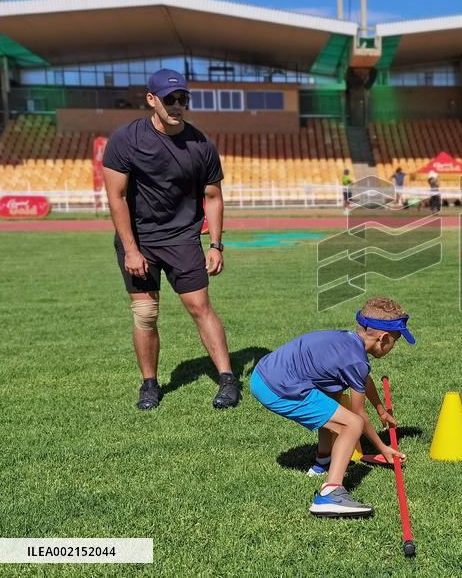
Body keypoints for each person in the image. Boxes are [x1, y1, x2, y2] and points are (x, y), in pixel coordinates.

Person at [102, 69, 239, 411]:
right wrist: (131, 250)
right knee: (146, 313)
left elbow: (214, 197)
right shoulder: (126, 139)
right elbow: (116, 197)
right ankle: (149, 384)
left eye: (182, 99)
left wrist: (217, 244)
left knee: (199, 307)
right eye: (169, 100)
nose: (177, 106)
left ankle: (227, 378)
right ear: (152, 99)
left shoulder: (200, 144)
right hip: (140, 240)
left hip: (182, 238)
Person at [249, 297, 413, 517]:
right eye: (395, 341)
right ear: (383, 338)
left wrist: (380, 408)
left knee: (333, 395)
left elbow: (363, 378)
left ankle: (323, 460)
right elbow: (358, 415)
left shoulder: (348, 341)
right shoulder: (356, 361)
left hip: (265, 372)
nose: (394, 346)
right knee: (351, 424)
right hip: (276, 386)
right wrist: (383, 449)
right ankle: (331, 493)